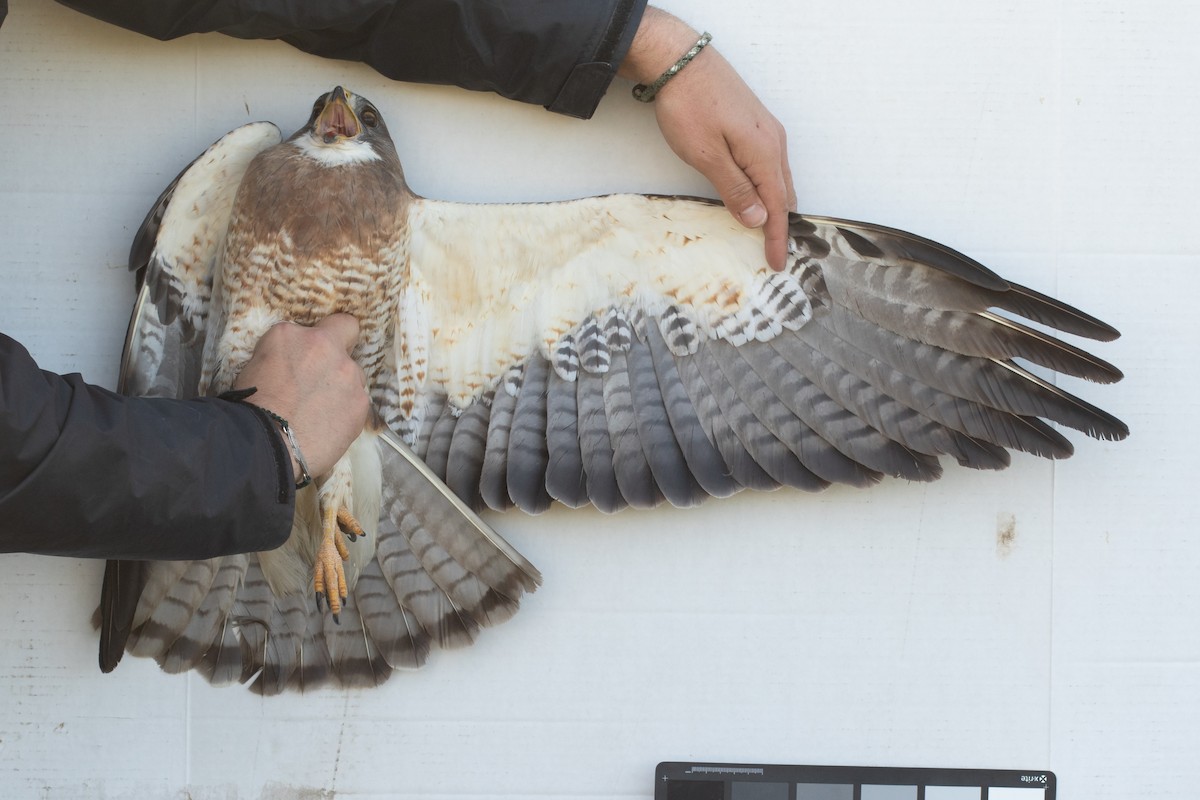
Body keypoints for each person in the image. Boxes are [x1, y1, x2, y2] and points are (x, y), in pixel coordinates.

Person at [0, 0, 794, 559]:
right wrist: (256, 455)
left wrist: (632, 36)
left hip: (269, 462)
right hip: (206, 471)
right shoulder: (232, 182)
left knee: (701, 248)